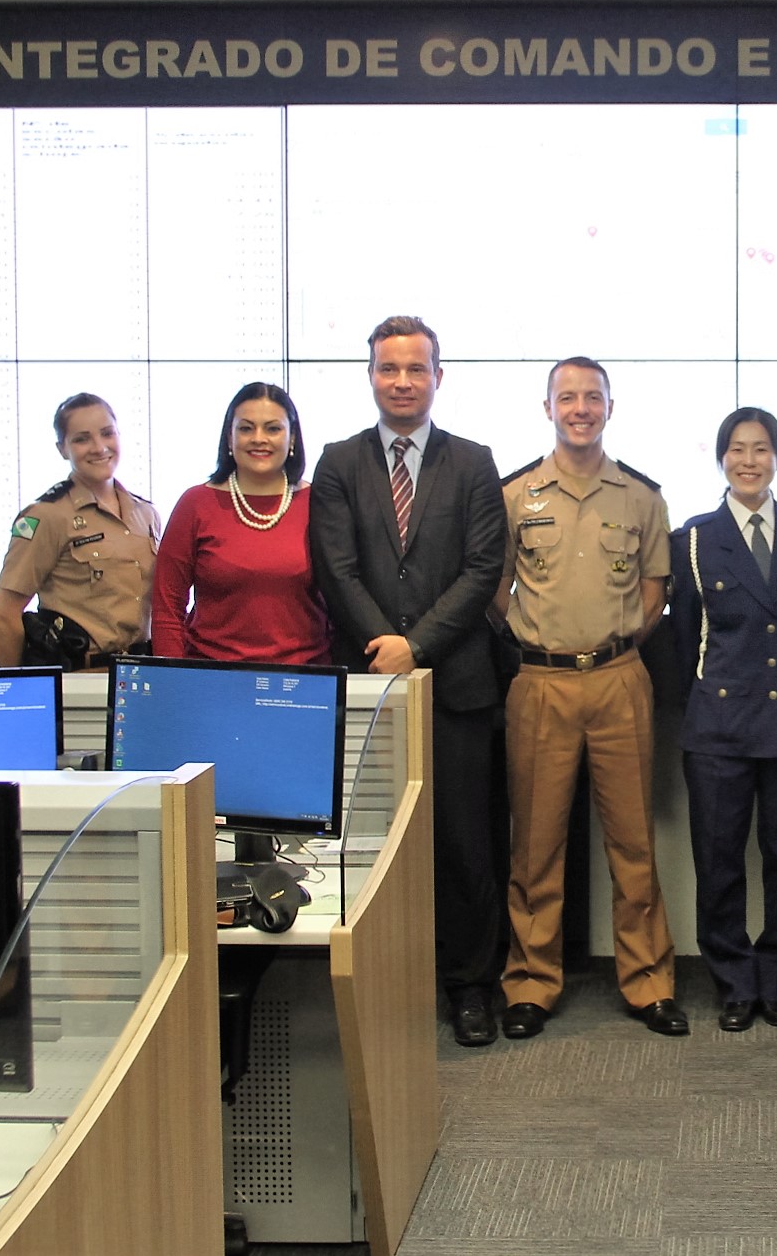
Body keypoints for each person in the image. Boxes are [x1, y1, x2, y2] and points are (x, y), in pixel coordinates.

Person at [309, 316, 508, 1048]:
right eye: (388, 369)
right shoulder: (337, 463)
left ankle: (470, 987)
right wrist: (382, 647)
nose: (402, 382)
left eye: (415, 369)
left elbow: (483, 569)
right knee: (369, 846)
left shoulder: (474, 462)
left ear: (437, 377)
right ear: (371, 376)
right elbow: (336, 568)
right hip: (367, 686)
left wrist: (415, 646)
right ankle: (380, 985)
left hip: (454, 686)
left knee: (463, 844)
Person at [496, 356, 681, 1039]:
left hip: (617, 679)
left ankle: (649, 981)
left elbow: (654, 592)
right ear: (547, 408)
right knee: (536, 845)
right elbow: (495, 589)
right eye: (567, 397)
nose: (581, 409)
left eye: (592, 397)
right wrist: (539, 637)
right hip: (540, 683)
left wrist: (611, 644)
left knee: (633, 843)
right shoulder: (514, 494)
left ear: (610, 406)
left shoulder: (641, 497)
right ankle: (530, 982)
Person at [669, 407, 777, 1032]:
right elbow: (686, 638)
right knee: (719, 859)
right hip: (718, 723)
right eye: (737, 449)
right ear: (721, 459)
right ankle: (735, 981)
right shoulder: (694, 539)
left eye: (761, 449)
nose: (749, 461)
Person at [151, 382, 329, 664]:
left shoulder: (320, 503)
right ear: (229, 437)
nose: (259, 438)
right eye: (246, 428)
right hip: (212, 675)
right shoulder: (195, 504)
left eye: (273, 429)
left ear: (292, 438)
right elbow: (167, 607)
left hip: (304, 677)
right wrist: (171, 677)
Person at [0, 393, 161, 669]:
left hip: (140, 676)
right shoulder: (46, 516)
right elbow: (2, 616)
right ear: (62, 448)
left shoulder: (146, 514)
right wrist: (31, 687)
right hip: (79, 678)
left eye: (107, 433)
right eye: (82, 439)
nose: (99, 447)